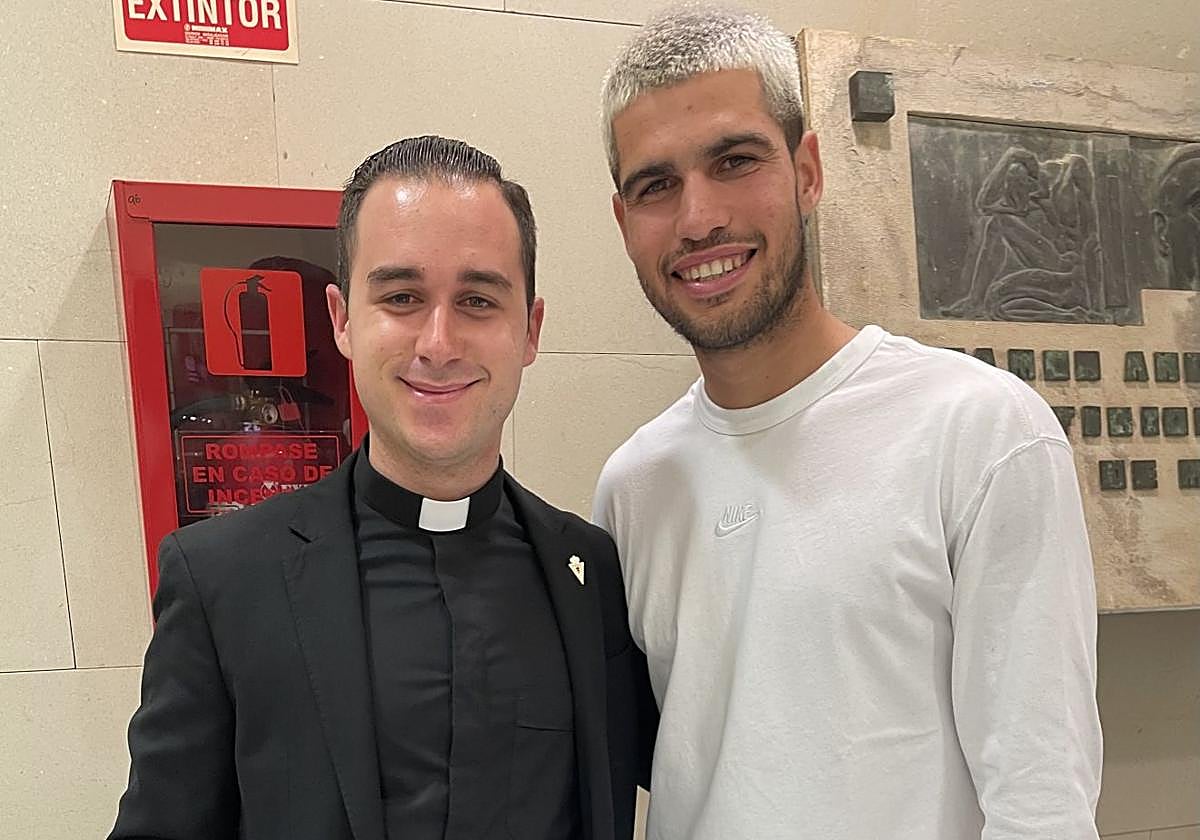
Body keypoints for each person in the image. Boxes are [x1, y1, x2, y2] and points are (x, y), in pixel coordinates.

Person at [592, 6, 1102, 839]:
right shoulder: (634, 486)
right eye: (657, 185)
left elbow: (1041, 804)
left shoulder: (980, 433)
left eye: (734, 161)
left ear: (807, 172)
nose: (698, 219)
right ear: (623, 224)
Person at [110, 135, 654, 840]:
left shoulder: (592, 574)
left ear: (530, 330)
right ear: (342, 320)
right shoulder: (222, 581)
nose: (438, 343)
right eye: (402, 297)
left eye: (478, 300)